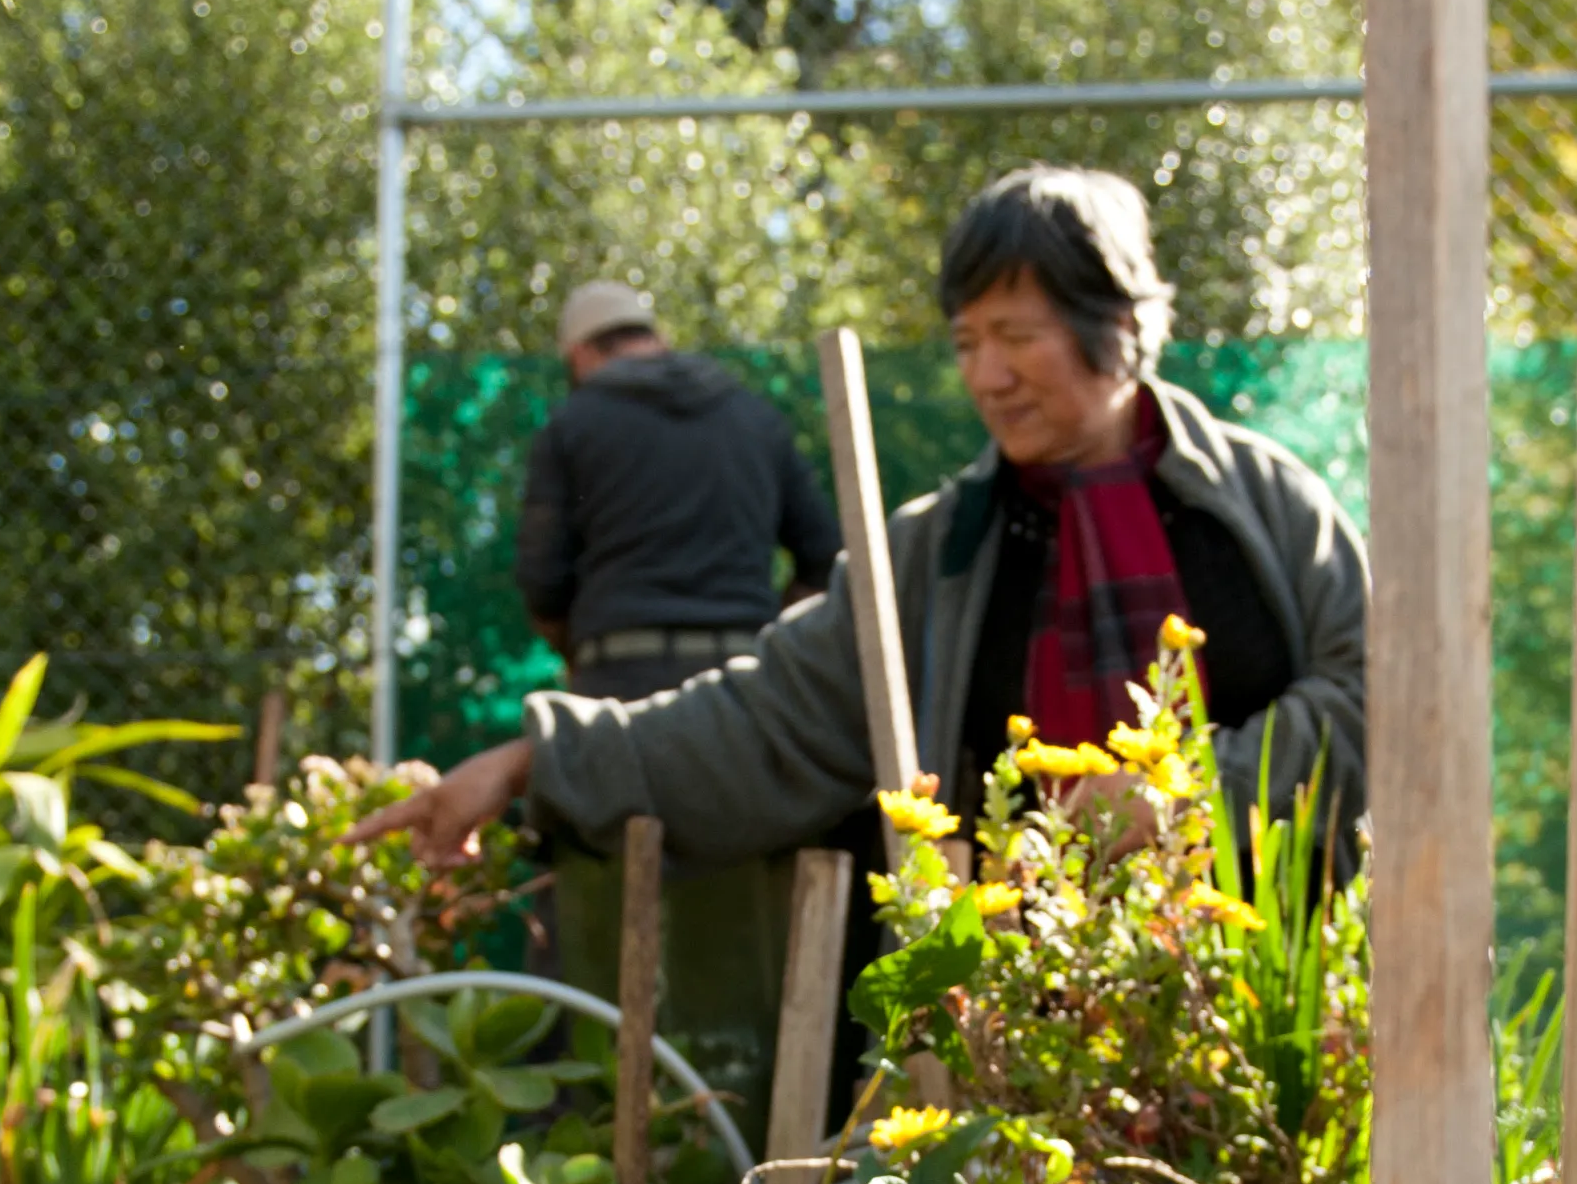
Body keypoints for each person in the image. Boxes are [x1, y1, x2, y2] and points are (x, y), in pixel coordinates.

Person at [365, 167, 1366, 882]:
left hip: (1262, 1000)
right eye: (966, 341)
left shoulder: (1262, 507)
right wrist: (531, 763)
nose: (985, 375)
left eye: (1017, 336)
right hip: (1011, 1018)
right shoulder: (936, 553)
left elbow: (1381, 698)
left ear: (1117, 325)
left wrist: (1183, 798)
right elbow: (758, 723)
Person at [515, 279, 840, 701]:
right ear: (659, 340)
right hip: (746, 689)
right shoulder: (755, 418)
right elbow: (825, 560)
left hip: (620, 688)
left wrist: (577, 656)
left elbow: (543, 582)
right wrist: (769, 638)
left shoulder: (571, 423)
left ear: (580, 355)